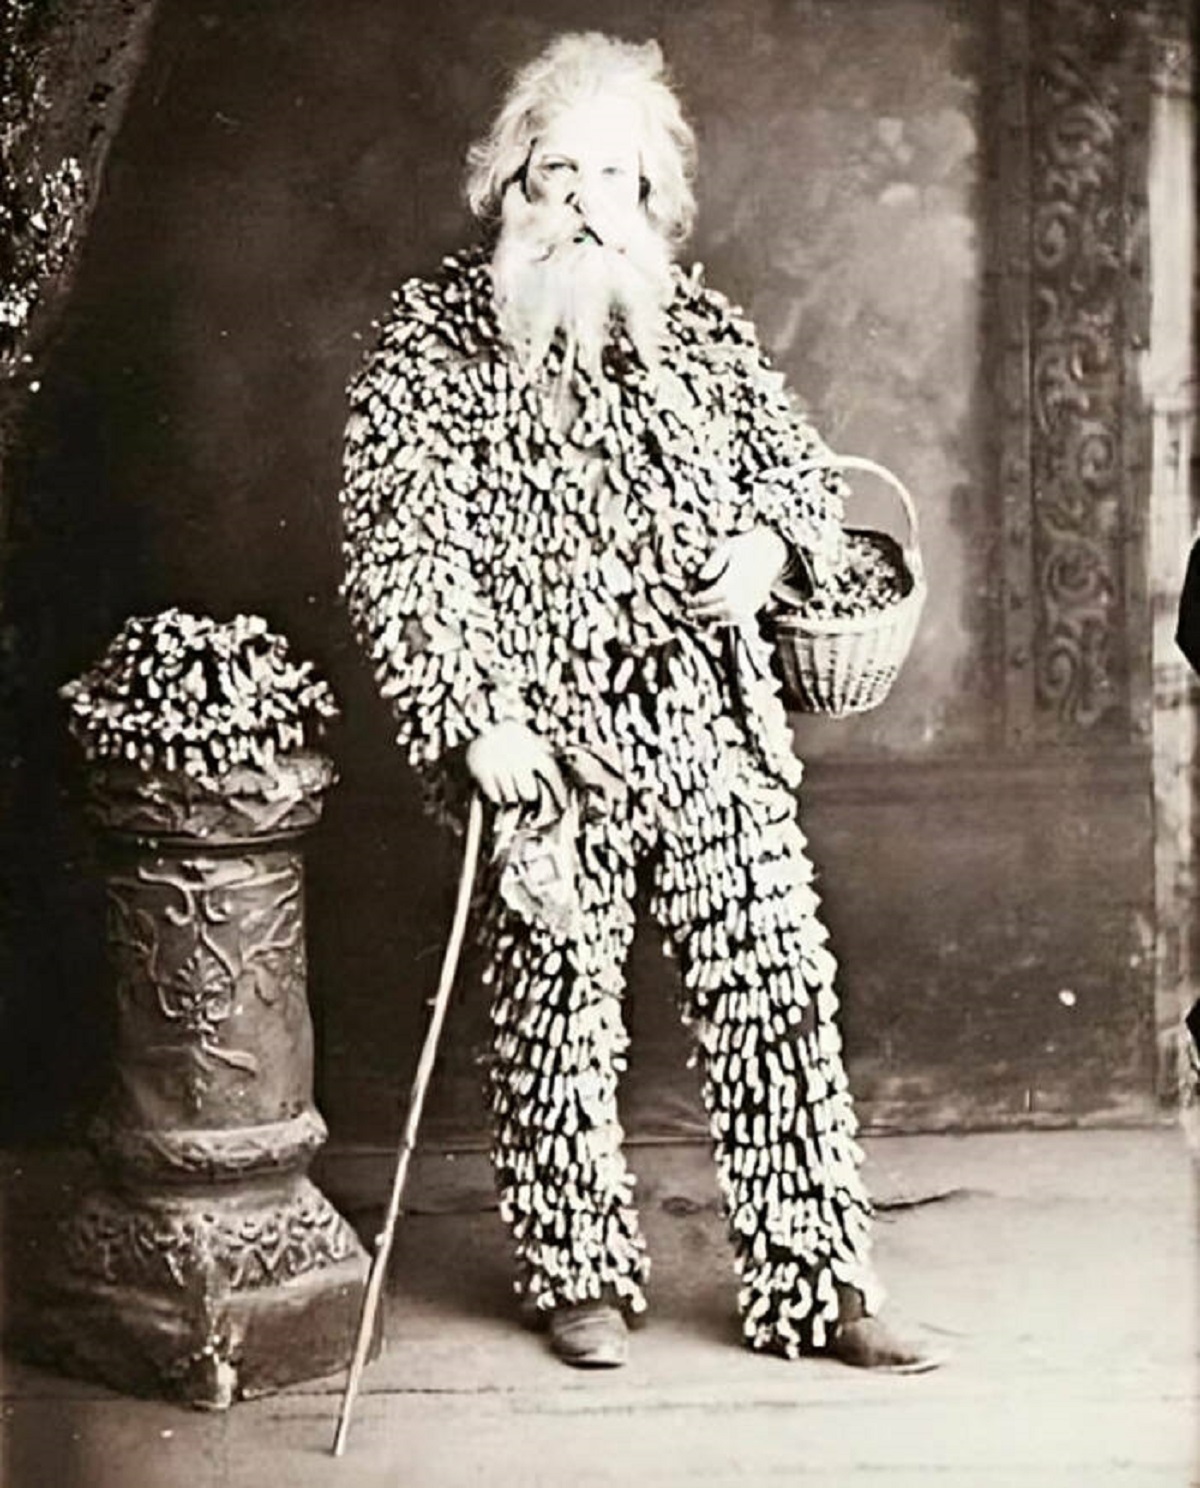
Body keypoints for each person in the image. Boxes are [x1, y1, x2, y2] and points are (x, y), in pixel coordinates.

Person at [339, 31, 938, 1374]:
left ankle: (818, 1283)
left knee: (778, 991)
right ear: (507, 187)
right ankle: (579, 1273)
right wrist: (472, 716)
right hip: (546, 746)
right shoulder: (430, 347)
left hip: (707, 726)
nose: (587, 204)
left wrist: (770, 553)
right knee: (555, 1004)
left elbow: (798, 482)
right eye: (559, 173)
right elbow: (405, 553)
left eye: (616, 175)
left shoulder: (702, 334)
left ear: (655, 198)